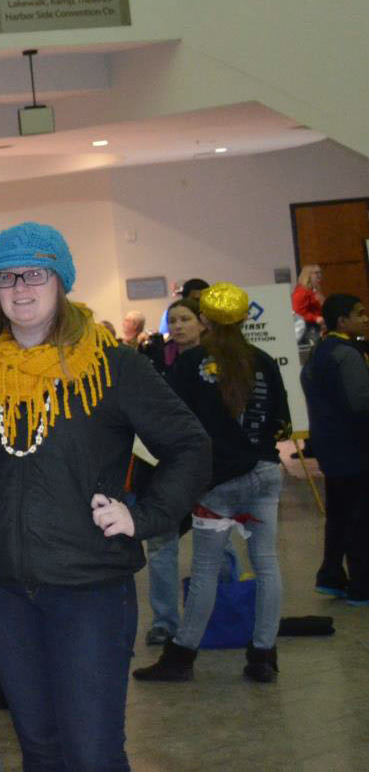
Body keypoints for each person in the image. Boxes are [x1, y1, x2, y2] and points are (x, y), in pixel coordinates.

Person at [0, 223, 209, 770]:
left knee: (92, 752)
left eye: (34, 273)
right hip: (4, 593)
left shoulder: (111, 366)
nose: (20, 287)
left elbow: (190, 446)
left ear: (61, 280)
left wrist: (143, 516)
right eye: (6, 277)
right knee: (40, 748)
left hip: (90, 590)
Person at [137, 282, 291, 684]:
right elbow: (282, 422)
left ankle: (182, 656)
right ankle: (263, 654)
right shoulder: (264, 361)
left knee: (205, 569)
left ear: (205, 318)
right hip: (264, 474)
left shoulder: (191, 364)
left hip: (215, 483)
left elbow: (170, 419)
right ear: (244, 318)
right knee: (266, 564)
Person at [137, 297, 207, 647]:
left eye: (185, 319)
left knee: (217, 546)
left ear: (202, 323)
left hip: (207, 470)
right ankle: (165, 621)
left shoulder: (215, 364)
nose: (178, 326)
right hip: (163, 470)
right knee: (161, 544)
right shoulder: (156, 362)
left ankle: (218, 613)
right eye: (173, 320)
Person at [302, 294, 369, 604]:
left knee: (339, 514)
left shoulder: (318, 351)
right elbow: (361, 403)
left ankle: (330, 576)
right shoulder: (347, 354)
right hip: (355, 448)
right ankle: (361, 586)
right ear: (342, 321)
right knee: (360, 518)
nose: (365, 318)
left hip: (330, 447)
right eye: (360, 313)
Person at [293, 264, 324, 345]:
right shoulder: (302, 292)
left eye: (320, 272)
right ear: (307, 275)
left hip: (316, 328)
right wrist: (315, 318)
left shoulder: (314, 291)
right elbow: (298, 312)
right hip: (308, 329)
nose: (320, 275)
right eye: (316, 273)